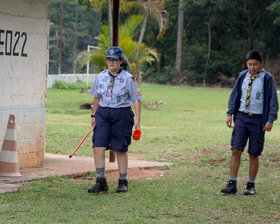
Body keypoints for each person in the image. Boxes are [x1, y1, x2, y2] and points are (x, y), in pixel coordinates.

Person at [221, 50, 279, 195]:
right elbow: (234, 96)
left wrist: (270, 120)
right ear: (246, 64)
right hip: (241, 117)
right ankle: (231, 183)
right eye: (250, 64)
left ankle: (251, 185)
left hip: (258, 120)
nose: (252, 67)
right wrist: (230, 113)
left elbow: (273, 101)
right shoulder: (242, 76)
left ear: (261, 64)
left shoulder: (267, 78)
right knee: (236, 149)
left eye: (255, 64)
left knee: (254, 153)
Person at [87, 46, 142, 194]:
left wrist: (138, 121)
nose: (111, 62)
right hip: (103, 114)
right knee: (98, 146)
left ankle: (122, 181)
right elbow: (96, 97)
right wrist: (93, 116)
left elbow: (136, 99)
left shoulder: (128, 78)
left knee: (120, 147)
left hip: (122, 113)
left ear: (121, 61)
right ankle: (101, 180)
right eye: (109, 60)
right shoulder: (101, 77)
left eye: (114, 60)